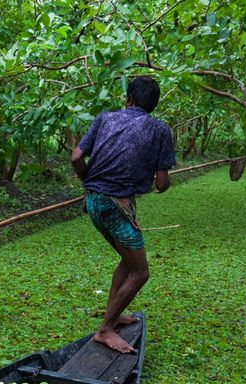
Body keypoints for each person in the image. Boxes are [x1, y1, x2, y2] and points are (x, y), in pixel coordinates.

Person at [70, 76, 175, 353]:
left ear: (128, 98)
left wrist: (89, 180)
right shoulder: (160, 130)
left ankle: (113, 318)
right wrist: (157, 180)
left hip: (92, 201)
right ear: (153, 105)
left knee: (128, 263)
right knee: (141, 273)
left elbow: (76, 158)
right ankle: (104, 330)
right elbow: (162, 184)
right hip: (116, 206)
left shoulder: (105, 118)